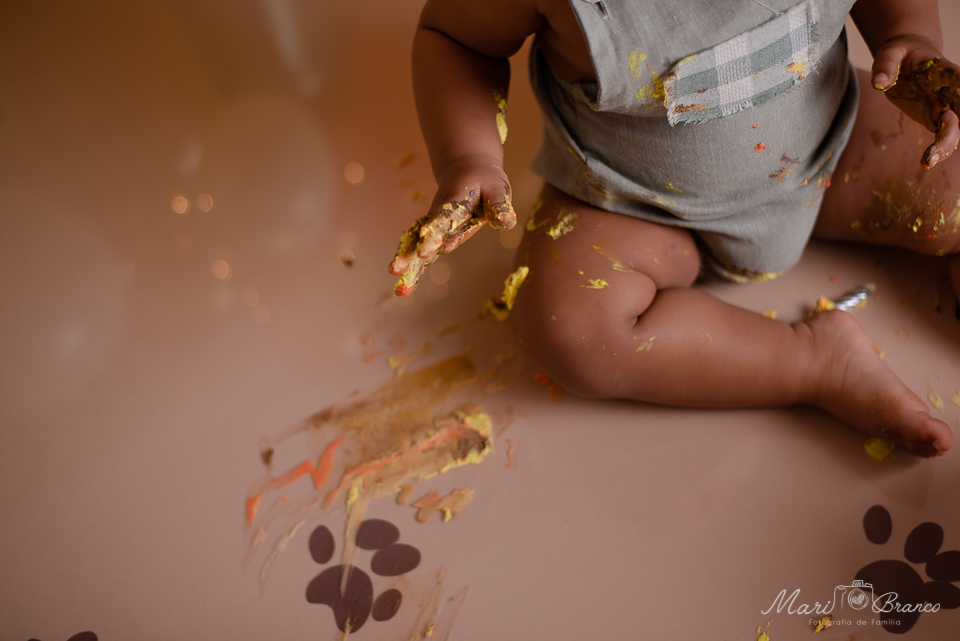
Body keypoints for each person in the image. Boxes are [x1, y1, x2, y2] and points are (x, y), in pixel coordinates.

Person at [389, 0, 960, 457]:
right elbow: (456, 37)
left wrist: (910, 36)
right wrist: (469, 158)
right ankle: (814, 363)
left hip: (832, 148)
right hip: (637, 207)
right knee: (569, 327)